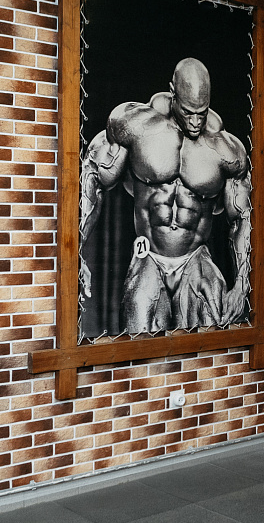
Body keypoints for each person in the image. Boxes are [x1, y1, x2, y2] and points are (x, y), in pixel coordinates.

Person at [79, 57, 252, 334]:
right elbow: (93, 181)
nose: (195, 122)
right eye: (188, 112)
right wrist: (77, 253)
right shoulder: (136, 126)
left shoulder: (226, 150)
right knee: (139, 325)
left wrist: (242, 284)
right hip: (149, 253)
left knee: (210, 324)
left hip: (195, 256)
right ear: (173, 93)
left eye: (202, 113)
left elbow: (241, 218)